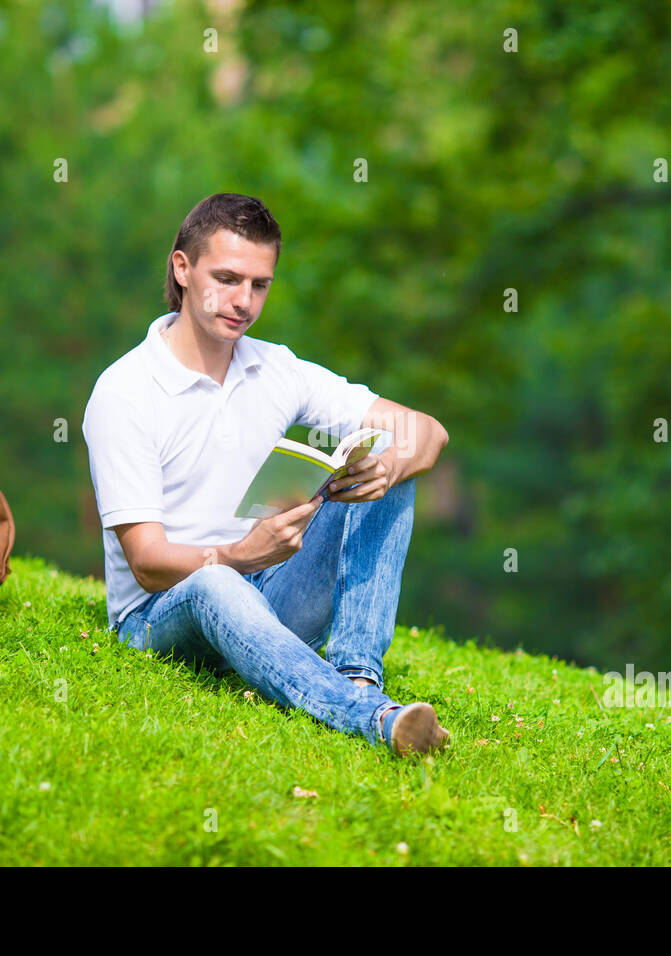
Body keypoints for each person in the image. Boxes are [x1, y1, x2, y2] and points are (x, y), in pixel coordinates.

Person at [81, 193, 451, 756]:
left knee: (389, 465)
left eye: (260, 285)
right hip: (161, 616)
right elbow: (148, 563)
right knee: (214, 581)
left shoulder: (275, 367)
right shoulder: (125, 391)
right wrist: (240, 554)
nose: (243, 301)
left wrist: (390, 466)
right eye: (226, 279)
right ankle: (375, 721)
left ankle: (356, 676)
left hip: (269, 590)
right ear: (182, 268)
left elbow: (427, 430)